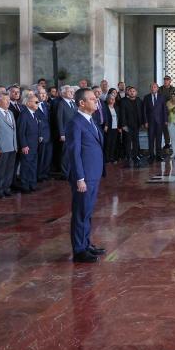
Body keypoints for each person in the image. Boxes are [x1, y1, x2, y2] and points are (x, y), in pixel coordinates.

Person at [66, 87, 105, 263]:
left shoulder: (90, 120)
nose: (96, 100)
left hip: (93, 174)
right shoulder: (75, 123)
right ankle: (79, 250)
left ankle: (86, 243)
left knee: (87, 211)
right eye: (92, 99)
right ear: (81, 103)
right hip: (84, 177)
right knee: (80, 212)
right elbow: (74, 153)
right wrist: (79, 178)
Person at [15, 90, 42, 193]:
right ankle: (25, 185)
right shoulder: (24, 115)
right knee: (26, 166)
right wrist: (24, 145)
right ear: (28, 103)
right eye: (36, 102)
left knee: (33, 165)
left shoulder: (34, 114)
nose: (38, 104)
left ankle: (32, 184)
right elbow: (21, 132)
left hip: (34, 145)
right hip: (27, 146)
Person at [118, 85, 144, 167]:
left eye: (133, 91)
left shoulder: (139, 100)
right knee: (128, 142)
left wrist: (142, 123)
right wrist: (123, 125)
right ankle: (128, 157)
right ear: (128, 92)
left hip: (136, 124)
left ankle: (135, 156)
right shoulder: (123, 101)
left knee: (136, 141)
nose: (132, 93)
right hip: (127, 125)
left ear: (136, 92)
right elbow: (122, 114)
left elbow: (142, 112)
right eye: (130, 91)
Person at [142, 82, 167, 161]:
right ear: (150, 88)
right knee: (151, 139)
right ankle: (151, 155)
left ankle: (158, 155)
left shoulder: (161, 97)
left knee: (159, 139)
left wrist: (165, 120)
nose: (153, 88)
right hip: (150, 122)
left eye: (155, 87)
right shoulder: (146, 97)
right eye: (152, 87)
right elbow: (144, 111)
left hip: (159, 122)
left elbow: (164, 109)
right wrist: (145, 122)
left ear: (157, 88)